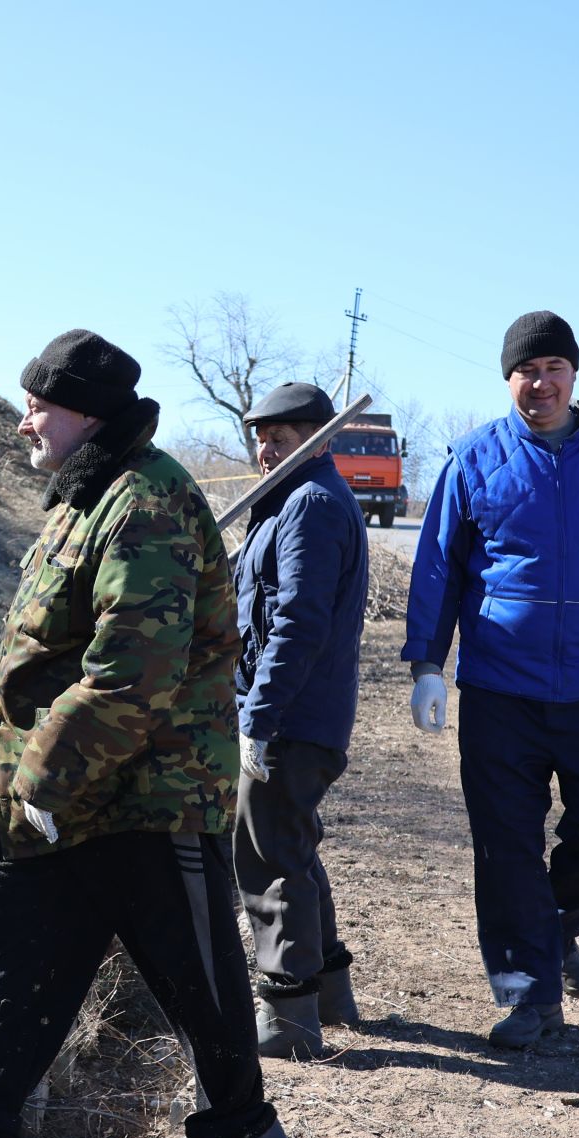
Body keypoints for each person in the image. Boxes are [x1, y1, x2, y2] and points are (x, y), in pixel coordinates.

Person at [0, 329, 291, 1138]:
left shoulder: (147, 501)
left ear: (85, 414)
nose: (23, 423)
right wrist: (16, 768)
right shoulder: (84, 496)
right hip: (68, 791)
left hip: (145, 793)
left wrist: (44, 776)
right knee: (11, 922)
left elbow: (134, 669)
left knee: (193, 973)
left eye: (36, 406)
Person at [401, 311, 579, 1050]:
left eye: (555, 367)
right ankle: (530, 994)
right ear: (509, 380)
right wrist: (429, 664)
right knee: (506, 845)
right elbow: (438, 565)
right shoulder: (476, 457)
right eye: (528, 370)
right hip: (500, 686)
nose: (542, 382)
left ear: (574, 375)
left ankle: (555, 930)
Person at [230, 382, 368, 1059]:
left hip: (292, 718)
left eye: (279, 439)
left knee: (267, 857)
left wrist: (258, 717)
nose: (264, 449)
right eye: (259, 437)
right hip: (295, 714)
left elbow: (297, 622)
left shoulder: (310, 505)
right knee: (294, 847)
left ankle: (288, 1018)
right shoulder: (286, 499)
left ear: (319, 438)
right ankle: (331, 997)